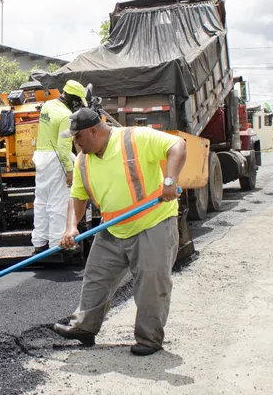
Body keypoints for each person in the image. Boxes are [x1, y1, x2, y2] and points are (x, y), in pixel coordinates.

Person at [51, 108, 187, 356]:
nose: (75, 143)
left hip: (152, 223)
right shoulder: (83, 160)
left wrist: (169, 181)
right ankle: (84, 327)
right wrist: (71, 227)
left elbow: (178, 145)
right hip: (113, 228)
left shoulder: (135, 138)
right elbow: (77, 197)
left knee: (150, 281)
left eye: (77, 137)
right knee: (96, 278)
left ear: (93, 131)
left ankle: (149, 339)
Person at [31, 80, 88, 253]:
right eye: (78, 102)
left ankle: (39, 242)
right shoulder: (66, 116)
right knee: (59, 202)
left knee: (41, 201)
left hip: (41, 155)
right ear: (72, 98)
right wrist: (70, 171)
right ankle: (58, 244)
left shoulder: (47, 106)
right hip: (56, 159)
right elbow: (63, 148)